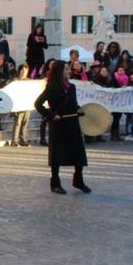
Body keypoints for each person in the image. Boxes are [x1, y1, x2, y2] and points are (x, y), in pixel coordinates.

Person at [34, 60, 91, 194]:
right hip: (58, 124)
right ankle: (55, 182)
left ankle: (78, 180)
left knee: (78, 152)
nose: (68, 71)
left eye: (68, 69)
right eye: (65, 69)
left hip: (72, 123)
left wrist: (79, 110)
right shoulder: (51, 87)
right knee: (57, 154)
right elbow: (38, 104)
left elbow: (74, 103)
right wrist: (52, 115)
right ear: (59, 72)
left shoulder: (71, 87)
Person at [9, 63, 32, 147]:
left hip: (27, 104)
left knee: (25, 122)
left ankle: (22, 139)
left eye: (25, 71)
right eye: (22, 70)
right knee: (18, 122)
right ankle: (14, 140)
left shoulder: (29, 81)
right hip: (18, 104)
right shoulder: (15, 81)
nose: (23, 72)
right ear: (19, 71)